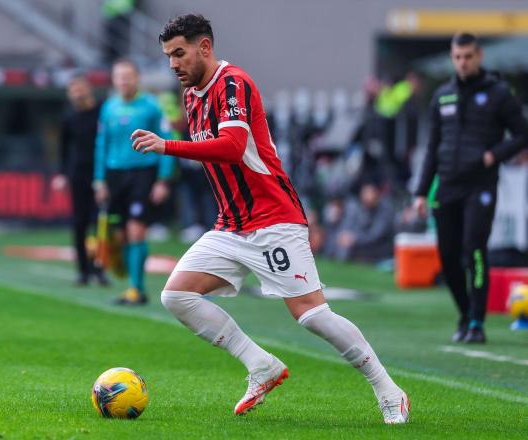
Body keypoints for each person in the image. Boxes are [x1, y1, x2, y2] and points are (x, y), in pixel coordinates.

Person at [131, 14, 409, 423]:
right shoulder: (192, 96)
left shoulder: (233, 83)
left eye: (179, 53)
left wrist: (168, 146)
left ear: (204, 47)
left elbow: (231, 146)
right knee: (176, 295)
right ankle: (260, 364)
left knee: (312, 315)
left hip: (273, 219)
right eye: (168, 56)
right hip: (231, 225)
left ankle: (389, 389)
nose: (173, 63)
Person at [414, 33, 528, 344]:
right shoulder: (443, 95)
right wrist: (422, 192)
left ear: (479, 56)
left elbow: (522, 134)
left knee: (473, 250)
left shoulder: (499, 93)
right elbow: (433, 148)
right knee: (448, 258)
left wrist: (494, 155)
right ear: (453, 58)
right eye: (457, 57)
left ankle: (477, 322)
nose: (462, 62)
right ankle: (465, 314)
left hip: (480, 186)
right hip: (447, 187)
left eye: (468, 56)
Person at [93, 58, 175, 305]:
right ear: (114, 80)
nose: (124, 81)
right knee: (120, 235)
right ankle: (132, 280)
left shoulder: (152, 106)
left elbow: (167, 140)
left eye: (128, 76)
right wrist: (99, 180)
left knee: (137, 229)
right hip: (115, 175)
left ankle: (136, 288)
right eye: (119, 76)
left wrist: (163, 179)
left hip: (143, 174)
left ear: (137, 79)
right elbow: (101, 145)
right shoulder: (109, 107)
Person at [52, 75, 109, 287]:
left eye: (80, 89)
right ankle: (83, 271)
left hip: (100, 174)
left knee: (100, 223)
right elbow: (63, 149)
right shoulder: (68, 117)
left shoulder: (102, 112)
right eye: (73, 90)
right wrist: (61, 174)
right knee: (79, 222)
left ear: (89, 90)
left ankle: (100, 269)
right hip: (78, 174)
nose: (77, 94)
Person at [334, 179, 395, 263]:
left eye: (369, 193)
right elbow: (352, 227)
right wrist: (346, 237)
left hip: (380, 248)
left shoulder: (385, 210)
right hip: (363, 245)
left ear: (376, 193)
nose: (366, 196)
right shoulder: (360, 208)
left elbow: (375, 235)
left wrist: (354, 239)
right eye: (364, 193)